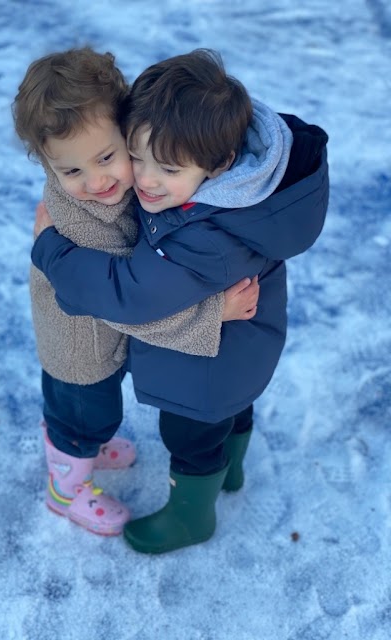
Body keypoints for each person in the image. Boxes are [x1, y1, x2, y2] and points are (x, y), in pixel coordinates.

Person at [32, 47, 329, 554]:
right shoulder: (245, 187)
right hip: (243, 352)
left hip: (204, 367)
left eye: (166, 169)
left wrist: (52, 252)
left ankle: (192, 516)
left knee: (192, 439)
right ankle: (231, 471)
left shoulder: (201, 236)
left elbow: (129, 294)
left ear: (219, 164)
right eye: (137, 156)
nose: (145, 181)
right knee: (233, 413)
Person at [12, 48, 260, 537]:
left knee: (94, 415)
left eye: (107, 157)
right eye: (71, 171)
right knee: (81, 417)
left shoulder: (123, 187)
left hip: (103, 338)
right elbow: (129, 306)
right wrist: (214, 313)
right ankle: (67, 488)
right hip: (81, 349)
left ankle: (85, 448)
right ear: (48, 164)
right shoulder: (86, 225)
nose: (97, 181)